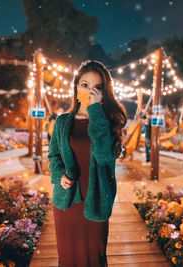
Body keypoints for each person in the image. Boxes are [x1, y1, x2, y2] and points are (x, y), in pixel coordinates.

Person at [48, 60, 127, 267]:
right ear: (76, 88)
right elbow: (54, 156)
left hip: (97, 202)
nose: (90, 91)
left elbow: (103, 156)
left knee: (94, 258)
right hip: (67, 204)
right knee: (68, 259)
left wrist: (95, 111)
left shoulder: (108, 122)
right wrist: (59, 175)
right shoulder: (63, 121)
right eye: (84, 85)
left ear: (103, 93)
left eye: (97, 87)